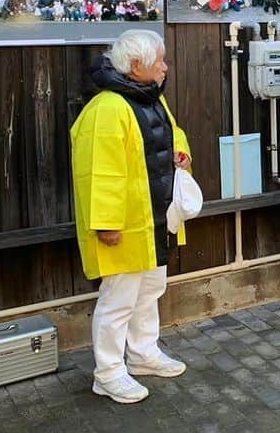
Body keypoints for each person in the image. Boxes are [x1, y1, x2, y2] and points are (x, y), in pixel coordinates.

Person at [71, 30, 192, 404]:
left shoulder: (151, 98)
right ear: (136, 65)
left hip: (154, 216)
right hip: (125, 222)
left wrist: (181, 154)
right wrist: (106, 222)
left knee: (150, 288)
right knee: (118, 297)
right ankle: (107, 372)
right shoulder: (107, 108)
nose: (165, 66)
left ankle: (143, 354)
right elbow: (100, 171)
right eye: (159, 60)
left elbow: (173, 135)